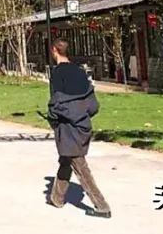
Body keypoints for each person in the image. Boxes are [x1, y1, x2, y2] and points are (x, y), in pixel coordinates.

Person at [45, 39, 111, 218]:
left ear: (54, 50)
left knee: (79, 165)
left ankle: (102, 206)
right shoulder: (80, 72)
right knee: (66, 160)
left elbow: (55, 102)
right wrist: (82, 115)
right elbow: (93, 104)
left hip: (68, 126)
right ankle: (57, 198)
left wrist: (54, 119)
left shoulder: (57, 73)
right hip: (82, 123)